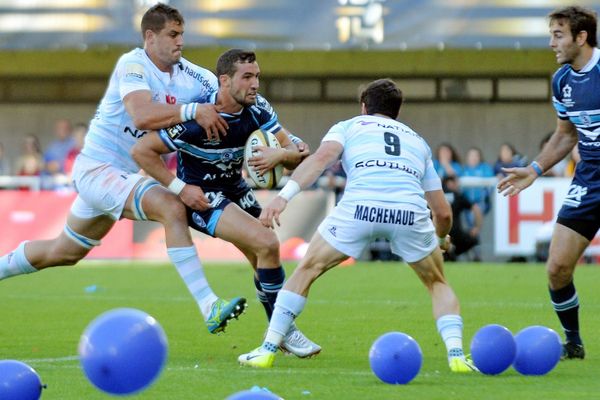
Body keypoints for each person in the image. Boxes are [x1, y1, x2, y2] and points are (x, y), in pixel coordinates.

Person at [0, 3, 247, 335]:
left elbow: (230, 100)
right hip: (97, 170)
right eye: (172, 35)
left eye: (182, 34)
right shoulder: (132, 64)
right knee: (171, 205)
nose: (180, 42)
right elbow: (142, 115)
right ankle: (209, 305)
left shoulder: (194, 77)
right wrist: (193, 112)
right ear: (150, 36)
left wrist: (280, 141)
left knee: (64, 251)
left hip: (122, 177)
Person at [238, 78, 477, 373]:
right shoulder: (418, 141)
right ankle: (456, 355)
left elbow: (320, 160)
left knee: (306, 270)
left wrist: (282, 198)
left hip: (359, 209)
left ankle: (268, 349)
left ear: (364, 107)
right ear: (397, 113)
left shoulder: (349, 126)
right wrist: (440, 239)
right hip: (408, 213)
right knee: (437, 283)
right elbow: (442, 213)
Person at [132, 49, 320, 358]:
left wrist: (280, 155)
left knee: (262, 256)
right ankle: (282, 332)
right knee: (267, 243)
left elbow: (299, 152)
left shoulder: (258, 109)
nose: (255, 84)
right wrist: (180, 189)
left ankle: (282, 332)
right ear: (224, 80)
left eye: (257, 76)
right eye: (247, 77)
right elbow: (141, 152)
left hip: (235, 188)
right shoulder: (198, 120)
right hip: (203, 197)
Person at [497, 5, 600, 360]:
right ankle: (573, 342)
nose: (551, 43)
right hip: (590, 180)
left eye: (558, 35)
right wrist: (535, 169)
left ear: (581, 37)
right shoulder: (562, 81)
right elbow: (565, 135)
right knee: (557, 267)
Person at [442, 175, 483, 261]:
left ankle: (449, 254)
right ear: (450, 183)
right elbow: (476, 209)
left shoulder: (437, 196)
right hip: (457, 235)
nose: (458, 185)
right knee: (474, 240)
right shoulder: (457, 195)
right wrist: (476, 227)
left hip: (440, 235)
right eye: (456, 183)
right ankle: (475, 259)